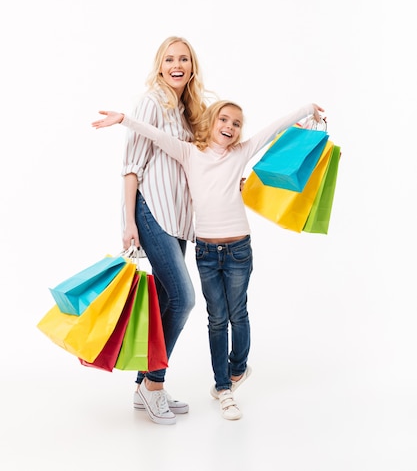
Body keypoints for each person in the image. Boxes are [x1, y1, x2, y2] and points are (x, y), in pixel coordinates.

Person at [92, 99, 325, 421]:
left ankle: (237, 371)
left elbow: (275, 128)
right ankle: (223, 387)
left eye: (236, 124)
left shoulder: (241, 152)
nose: (229, 127)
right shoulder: (190, 153)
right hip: (205, 251)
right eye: (224, 120)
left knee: (238, 314)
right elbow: (157, 136)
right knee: (216, 319)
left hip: (239, 249)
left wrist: (307, 109)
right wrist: (124, 120)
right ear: (212, 123)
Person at [118, 36, 209, 425]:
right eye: (169, 59)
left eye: (183, 59)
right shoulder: (150, 103)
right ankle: (154, 386)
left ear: (192, 66)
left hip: (180, 218)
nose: (177, 64)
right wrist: (128, 222)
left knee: (166, 301)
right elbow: (130, 167)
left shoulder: (190, 111)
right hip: (152, 211)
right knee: (185, 298)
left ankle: (144, 385)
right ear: (159, 65)